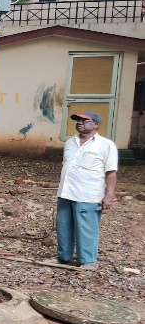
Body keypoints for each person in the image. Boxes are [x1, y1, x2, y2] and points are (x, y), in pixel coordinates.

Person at [47, 111, 118, 270]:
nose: (80, 123)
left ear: (96, 124)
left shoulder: (105, 145)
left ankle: (87, 260)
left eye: (85, 120)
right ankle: (63, 256)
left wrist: (109, 195)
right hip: (66, 191)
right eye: (78, 120)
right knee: (63, 225)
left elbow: (111, 172)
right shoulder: (70, 142)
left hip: (88, 193)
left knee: (87, 228)